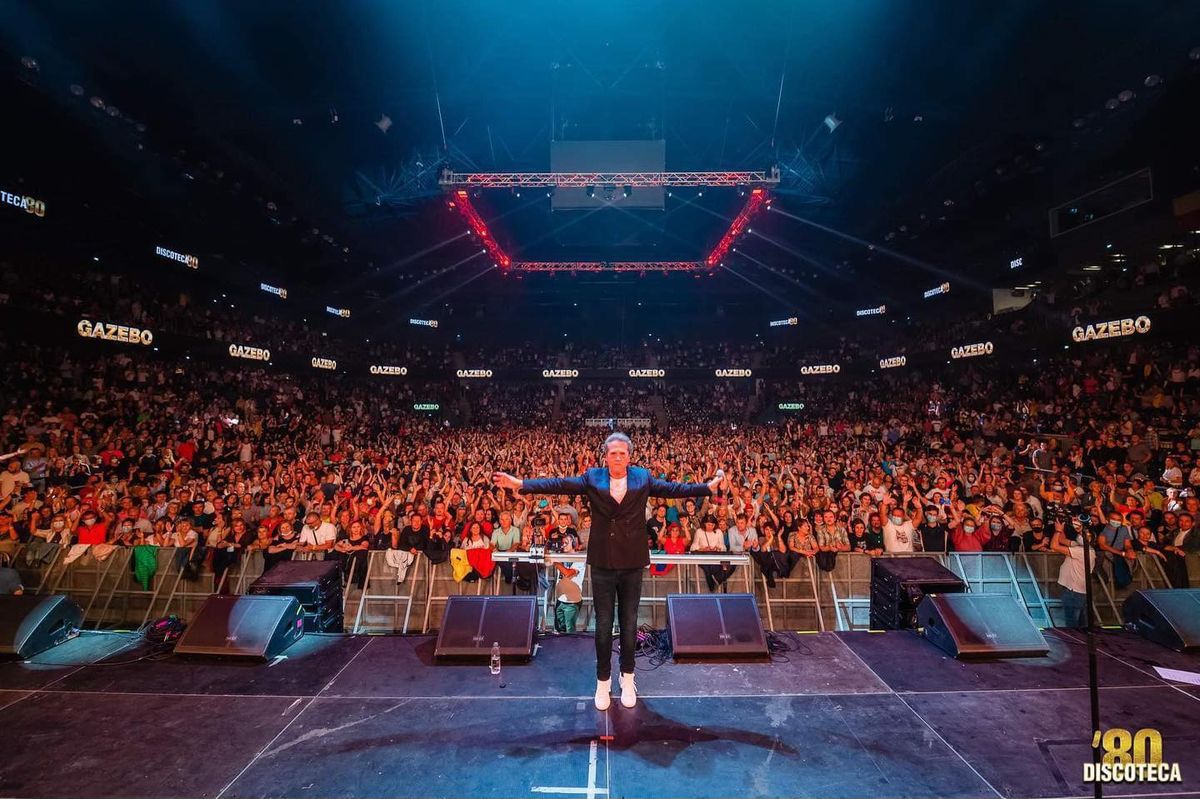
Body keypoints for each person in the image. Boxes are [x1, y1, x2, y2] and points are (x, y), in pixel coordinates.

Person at [493, 431, 718, 711]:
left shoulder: (642, 477)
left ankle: (627, 678)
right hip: (602, 562)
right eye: (613, 453)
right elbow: (560, 484)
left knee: (628, 623)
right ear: (605, 456)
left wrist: (707, 487)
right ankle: (602, 681)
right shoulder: (592, 477)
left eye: (623, 453)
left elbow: (674, 489)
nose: (618, 457)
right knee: (602, 626)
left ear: (629, 456)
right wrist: (522, 484)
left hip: (632, 562)